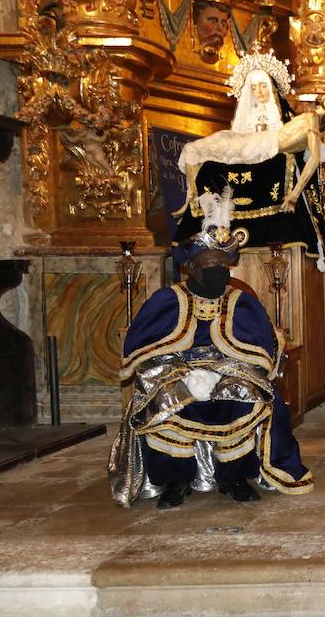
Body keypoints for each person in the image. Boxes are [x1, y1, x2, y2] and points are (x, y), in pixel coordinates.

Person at [108, 191, 313, 508]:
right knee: (163, 398)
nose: (217, 271)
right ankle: (176, 481)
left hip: (231, 370)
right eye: (209, 265)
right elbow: (143, 351)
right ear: (190, 266)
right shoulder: (167, 300)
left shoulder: (239, 300)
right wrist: (186, 373)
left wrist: (220, 372)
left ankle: (234, 478)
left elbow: (261, 351)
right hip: (176, 370)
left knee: (245, 397)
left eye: (222, 265)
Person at [173, 49, 325, 270]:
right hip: (247, 143)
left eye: (263, 86)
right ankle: (191, 200)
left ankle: (191, 201)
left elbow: (314, 155)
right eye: (254, 87)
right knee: (195, 152)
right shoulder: (302, 120)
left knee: (198, 151)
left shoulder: (306, 120)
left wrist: (295, 194)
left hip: (266, 145)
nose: (259, 92)